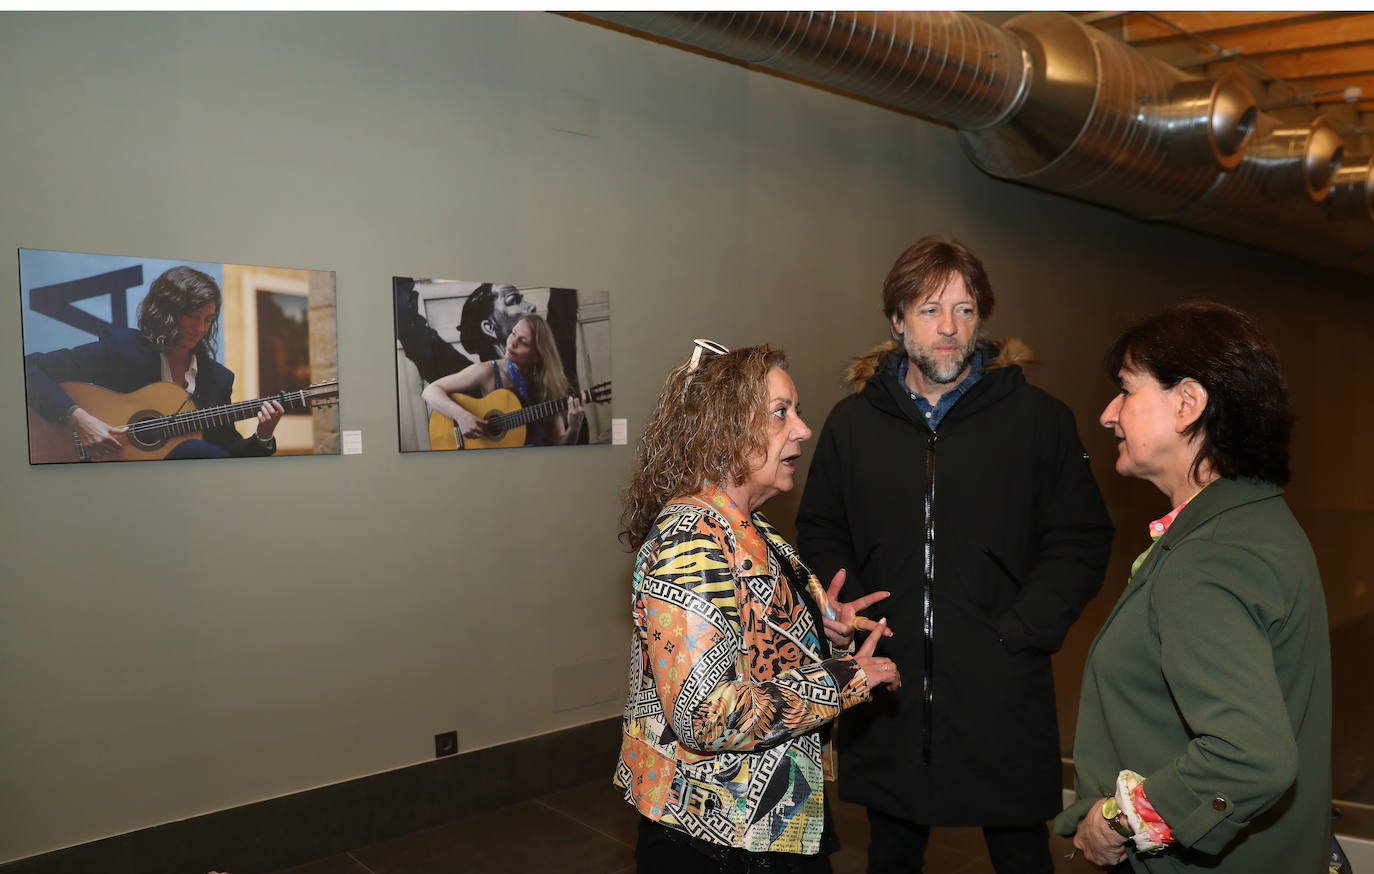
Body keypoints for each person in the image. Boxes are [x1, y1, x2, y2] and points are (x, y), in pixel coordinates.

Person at [795, 236, 1115, 874]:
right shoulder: (852, 425)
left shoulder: (1038, 420)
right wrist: (851, 612)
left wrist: (1024, 629)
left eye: (965, 311)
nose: (949, 328)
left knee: (1022, 852)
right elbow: (821, 526)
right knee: (891, 850)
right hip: (891, 681)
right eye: (929, 309)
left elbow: (1080, 535)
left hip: (1001, 678)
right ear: (896, 321)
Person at [1053, 301, 1332, 873]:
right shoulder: (1255, 519)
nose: (1109, 414)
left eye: (1127, 390)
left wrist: (1118, 819)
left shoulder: (1208, 557)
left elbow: (1250, 758)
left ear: (1188, 403)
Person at [615, 340, 902, 873]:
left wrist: (823, 633)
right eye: (780, 413)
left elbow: (752, 642)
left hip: (769, 823)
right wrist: (844, 678)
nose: (802, 429)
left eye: (797, 411)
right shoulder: (691, 539)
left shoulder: (750, 525)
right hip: (715, 842)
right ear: (725, 432)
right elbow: (704, 716)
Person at [24, 265, 283, 461]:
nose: (201, 327)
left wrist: (263, 435)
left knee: (196, 449)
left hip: (181, 492)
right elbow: (28, 368)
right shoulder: (123, 349)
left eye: (209, 319)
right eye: (193, 315)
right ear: (167, 312)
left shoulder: (217, 379)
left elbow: (226, 452)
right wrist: (79, 418)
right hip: (106, 477)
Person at [420, 313, 584, 446]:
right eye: (513, 333)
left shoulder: (547, 387)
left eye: (523, 342)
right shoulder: (488, 371)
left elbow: (559, 445)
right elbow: (430, 391)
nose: (512, 343)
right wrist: (461, 416)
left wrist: (574, 429)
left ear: (537, 356)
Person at [394, 280, 536, 383]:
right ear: (489, 328)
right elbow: (411, 330)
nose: (532, 306)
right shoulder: (472, 383)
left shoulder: (544, 366)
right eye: (513, 301)